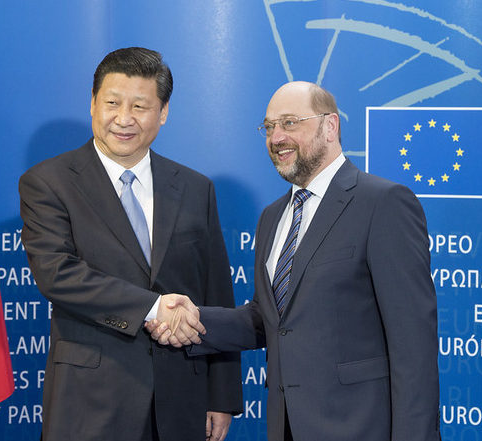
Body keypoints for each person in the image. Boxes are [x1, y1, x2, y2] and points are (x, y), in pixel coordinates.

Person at [148, 81, 440, 441]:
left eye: (289, 123)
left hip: (362, 427)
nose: (276, 137)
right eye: (269, 127)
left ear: (330, 126)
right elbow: (268, 320)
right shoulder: (272, 217)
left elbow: (414, 345)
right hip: (286, 426)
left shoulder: (384, 203)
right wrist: (189, 319)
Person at [19, 47, 242, 441]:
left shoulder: (194, 188)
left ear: (163, 112)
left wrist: (221, 395)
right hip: (91, 401)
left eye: (140, 106)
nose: (123, 119)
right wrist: (154, 307)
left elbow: (216, 295)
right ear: (92, 104)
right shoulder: (49, 182)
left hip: (182, 401)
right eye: (112, 103)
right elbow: (58, 275)